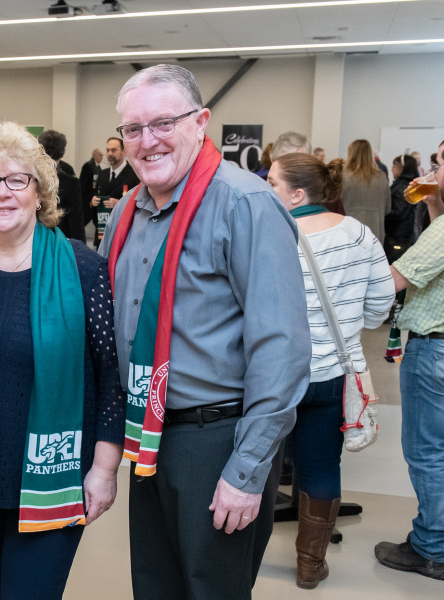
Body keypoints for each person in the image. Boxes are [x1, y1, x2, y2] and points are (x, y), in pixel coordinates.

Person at [98, 64, 311, 599]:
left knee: (211, 590)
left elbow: (281, 350)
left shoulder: (246, 204)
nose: (147, 141)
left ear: (201, 122)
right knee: (155, 586)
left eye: (163, 122)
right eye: (132, 129)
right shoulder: (127, 211)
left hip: (217, 441)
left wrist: (247, 470)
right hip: (146, 437)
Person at [0, 121, 124, 600]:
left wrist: (103, 471)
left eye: (17, 180)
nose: (2, 193)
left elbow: (110, 378)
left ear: (39, 193)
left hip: (54, 475)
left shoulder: (83, 267)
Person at [267, 152, 395, 589]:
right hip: (331, 376)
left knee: (258, 464)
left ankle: (241, 556)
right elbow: (380, 309)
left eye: (272, 184)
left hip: (273, 376)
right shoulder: (359, 235)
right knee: (321, 466)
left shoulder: (271, 234)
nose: (265, 191)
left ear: (297, 193)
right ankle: (309, 564)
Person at [375, 129, 444, 581]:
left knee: (428, 453)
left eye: (438, 165)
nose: (433, 172)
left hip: (438, 350)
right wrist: (433, 202)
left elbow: (393, 281)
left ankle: (431, 548)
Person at [38, 129, 85, 242]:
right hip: (61, 241)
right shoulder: (71, 183)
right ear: (63, 151)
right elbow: (76, 221)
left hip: (36, 238)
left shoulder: (32, 178)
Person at [92, 137, 139, 246]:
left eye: (114, 150)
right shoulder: (102, 174)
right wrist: (93, 201)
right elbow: (95, 195)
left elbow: (140, 203)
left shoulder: (134, 175)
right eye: (107, 150)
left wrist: (119, 204)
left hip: (123, 234)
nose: (109, 154)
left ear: (124, 151)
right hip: (102, 232)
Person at [342, 139, 391, 243]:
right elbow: (388, 209)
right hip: (375, 232)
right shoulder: (381, 176)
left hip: (349, 232)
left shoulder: (343, 176)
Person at [386, 154, 421, 263]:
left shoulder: (402, 187)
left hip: (398, 236)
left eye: (394, 166)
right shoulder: (405, 185)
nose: (391, 169)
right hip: (401, 234)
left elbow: (399, 212)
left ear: (401, 168)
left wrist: (384, 213)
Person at [79, 147, 103, 226]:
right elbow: (82, 184)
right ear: (93, 155)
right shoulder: (88, 166)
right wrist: (87, 200)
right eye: (99, 155)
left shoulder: (99, 168)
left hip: (94, 198)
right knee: (85, 219)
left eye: (102, 155)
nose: (101, 157)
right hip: (87, 200)